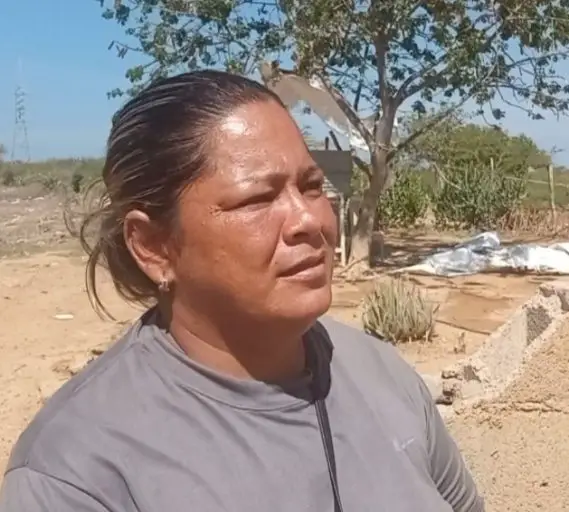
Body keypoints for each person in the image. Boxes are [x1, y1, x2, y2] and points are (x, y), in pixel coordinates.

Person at [0, 70, 484, 511]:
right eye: (257, 198)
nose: (309, 221)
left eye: (312, 187)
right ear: (153, 247)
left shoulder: (382, 375)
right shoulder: (75, 473)